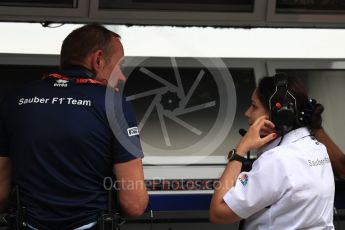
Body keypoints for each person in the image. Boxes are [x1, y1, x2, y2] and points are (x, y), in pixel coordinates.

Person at [0, 23, 148, 229]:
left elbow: (1, 191)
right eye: (118, 66)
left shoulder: (16, 99)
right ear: (98, 60)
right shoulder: (113, 104)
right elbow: (134, 204)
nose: (121, 76)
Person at [209, 74, 335, 229]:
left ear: (279, 115)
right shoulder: (317, 148)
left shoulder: (277, 160)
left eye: (254, 106)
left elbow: (218, 213)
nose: (247, 113)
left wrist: (240, 150)